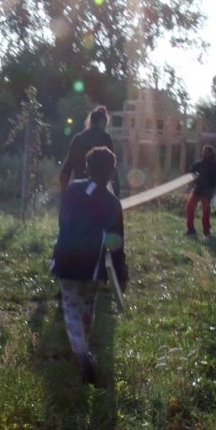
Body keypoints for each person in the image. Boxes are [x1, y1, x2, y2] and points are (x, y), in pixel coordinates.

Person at [51, 147, 128, 383]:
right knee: (87, 306)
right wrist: (121, 276)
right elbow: (116, 244)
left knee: (71, 307)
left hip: (65, 258)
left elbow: (62, 220)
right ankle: (84, 350)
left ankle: (81, 352)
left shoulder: (73, 189)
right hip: (91, 266)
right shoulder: (112, 203)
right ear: (111, 172)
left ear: (87, 166)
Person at [60, 105, 122, 195]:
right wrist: (117, 196)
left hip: (78, 191)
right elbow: (112, 167)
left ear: (90, 122)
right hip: (97, 194)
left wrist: (65, 199)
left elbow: (65, 173)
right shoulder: (105, 138)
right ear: (104, 123)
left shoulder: (78, 139)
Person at [186, 144, 216, 237]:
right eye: (204, 151)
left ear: (211, 153)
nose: (204, 153)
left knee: (206, 210)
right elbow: (192, 169)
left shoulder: (214, 165)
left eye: (206, 152)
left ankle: (206, 230)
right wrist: (192, 173)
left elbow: (213, 180)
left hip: (206, 190)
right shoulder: (199, 163)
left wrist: (210, 191)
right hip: (198, 189)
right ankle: (190, 229)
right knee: (190, 207)